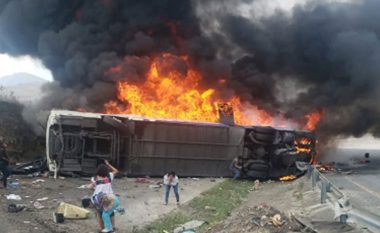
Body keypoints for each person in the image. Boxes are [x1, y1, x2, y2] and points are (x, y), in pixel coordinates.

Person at [90, 160, 119, 233]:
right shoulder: (109, 176)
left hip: (100, 200)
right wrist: (108, 164)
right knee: (110, 213)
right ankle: (112, 228)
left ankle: (102, 229)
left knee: (100, 214)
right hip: (110, 199)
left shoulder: (94, 179)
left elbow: (92, 187)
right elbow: (116, 171)